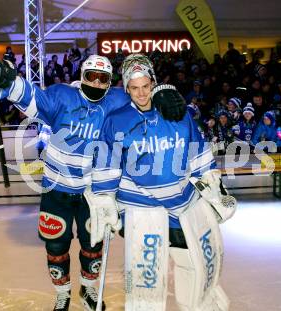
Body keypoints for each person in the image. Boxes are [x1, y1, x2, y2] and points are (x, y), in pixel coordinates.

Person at [0, 54, 186, 311]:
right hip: (56, 189)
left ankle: (88, 290)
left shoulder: (117, 100)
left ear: (110, 83)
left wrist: (166, 90)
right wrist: (6, 76)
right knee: (55, 246)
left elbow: (143, 93)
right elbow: (30, 97)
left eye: (103, 79)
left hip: (92, 193)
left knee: (93, 246)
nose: (97, 83)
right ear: (82, 76)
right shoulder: (62, 96)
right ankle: (62, 294)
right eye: (91, 76)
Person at [86, 54, 235, 311]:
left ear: (153, 83)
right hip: (141, 209)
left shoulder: (176, 111)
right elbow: (106, 166)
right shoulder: (116, 120)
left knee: (196, 265)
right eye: (134, 88)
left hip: (183, 205)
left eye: (146, 86)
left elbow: (197, 152)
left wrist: (213, 188)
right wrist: (103, 200)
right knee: (147, 280)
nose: (141, 94)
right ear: (126, 88)